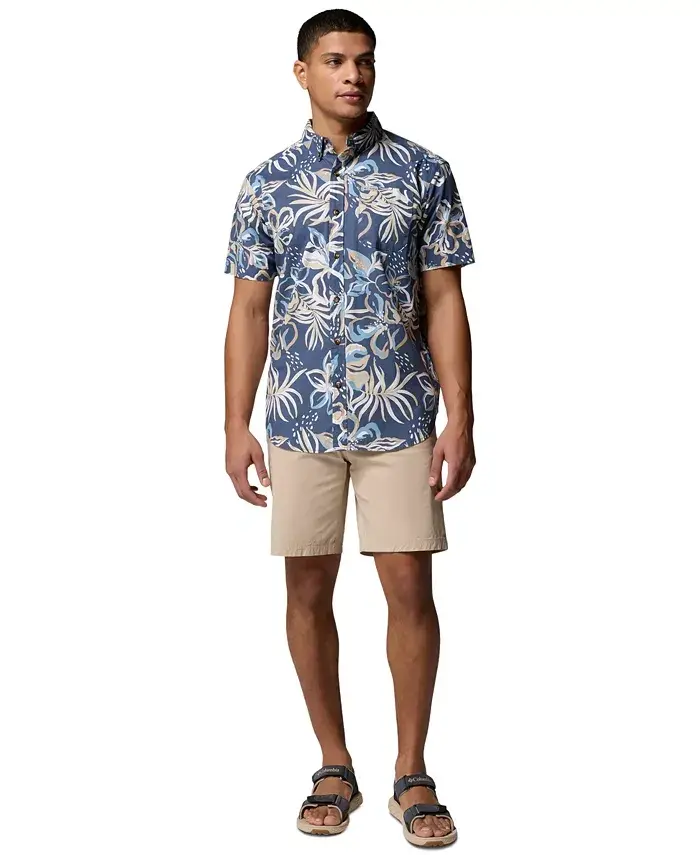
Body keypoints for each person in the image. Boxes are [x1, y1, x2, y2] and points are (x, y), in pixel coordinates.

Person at [223, 8, 475, 847]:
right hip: (299, 416)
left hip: (400, 411)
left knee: (409, 585)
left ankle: (412, 771)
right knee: (305, 590)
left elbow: (445, 298)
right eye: (334, 60)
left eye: (363, 60)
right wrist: (234, 423)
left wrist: (461, 415)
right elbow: (248, 309)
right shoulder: (265, 183)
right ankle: (333, 762)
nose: (352, 75)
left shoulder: (424, 172)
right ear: (302, 72)